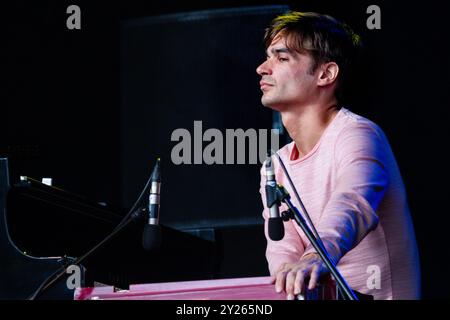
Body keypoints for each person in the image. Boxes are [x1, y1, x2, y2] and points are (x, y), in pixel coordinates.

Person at [257, 11, 420, 300]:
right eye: (268, 57)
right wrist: (288, 280)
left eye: (281, 58)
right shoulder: (276, 165)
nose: (262, 68)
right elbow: (282, 251)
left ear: (325, 74)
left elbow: (353, 203)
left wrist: (314, 257)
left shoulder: (358, 134)